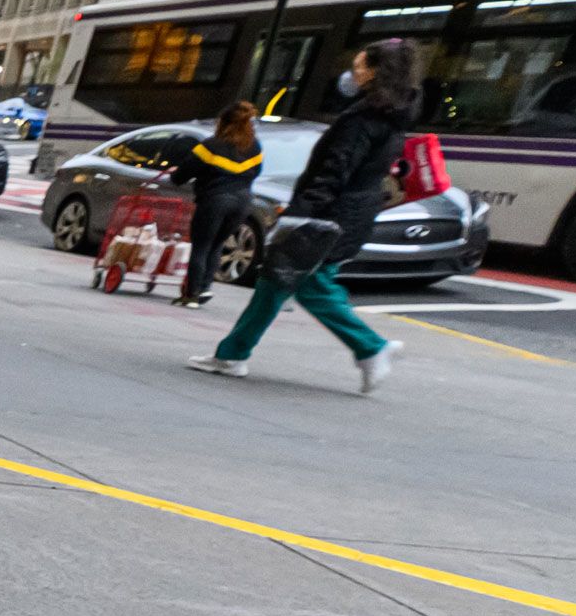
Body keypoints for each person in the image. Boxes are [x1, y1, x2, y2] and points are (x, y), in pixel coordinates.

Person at [191, 41, 419, 393]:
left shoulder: (361, 120)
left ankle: (371, 347)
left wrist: (300, 213)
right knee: (274, 282)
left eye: (358, 66)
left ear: (374, 73)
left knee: (311, 285)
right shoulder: (391, 118)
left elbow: (334, 170)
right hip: (351, 213)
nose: (352, 73)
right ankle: (232, 354)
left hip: (329, 215)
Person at [171, 99, 263, 310]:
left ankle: (191, 295)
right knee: (217, 243)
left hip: (214, 201)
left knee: (201, 246)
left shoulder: (210, 146)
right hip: (242, 202)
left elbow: (182, 174)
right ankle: (205, 287)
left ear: (223, 122)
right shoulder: (255, 147)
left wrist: (177, 178)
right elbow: (257, 172)